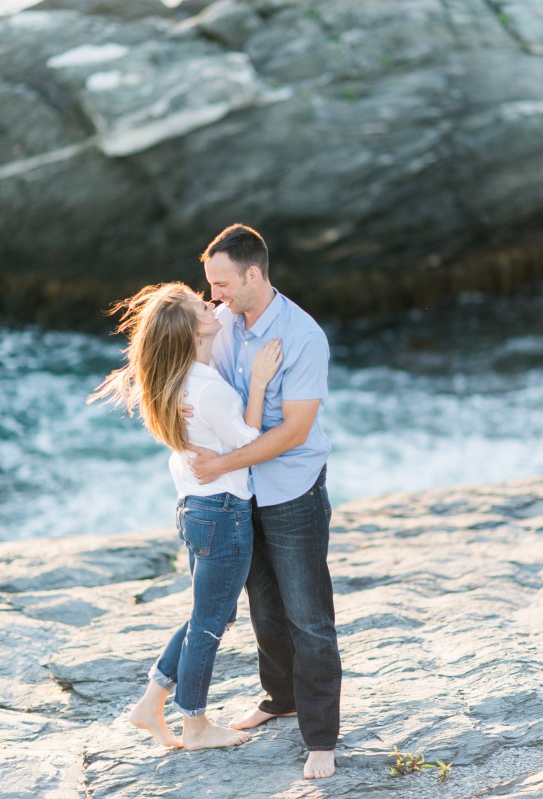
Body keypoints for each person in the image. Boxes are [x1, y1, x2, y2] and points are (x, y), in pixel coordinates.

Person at [88, 281, 282, 751]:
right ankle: (194, 724)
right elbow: (246, 442)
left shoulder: (178, 378)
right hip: (222, 511)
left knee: (207, 614)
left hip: (195, 508)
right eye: (202, 305)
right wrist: (258, 381)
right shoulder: (207, 387)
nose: (211, 303)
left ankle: (150, 704)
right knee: (211, 622)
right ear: (193, 331)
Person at [186, 224, 341, 780]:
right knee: (264, 606)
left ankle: (321, 736)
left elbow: (296, 430)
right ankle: (280, 698)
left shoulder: (302, 336)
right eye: (210, 284)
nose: (214, 295)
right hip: (240, 494)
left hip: (292, 488)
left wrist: (221, 464)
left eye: (222, 282)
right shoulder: (220, 323)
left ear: (253, 274)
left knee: (308, 615)